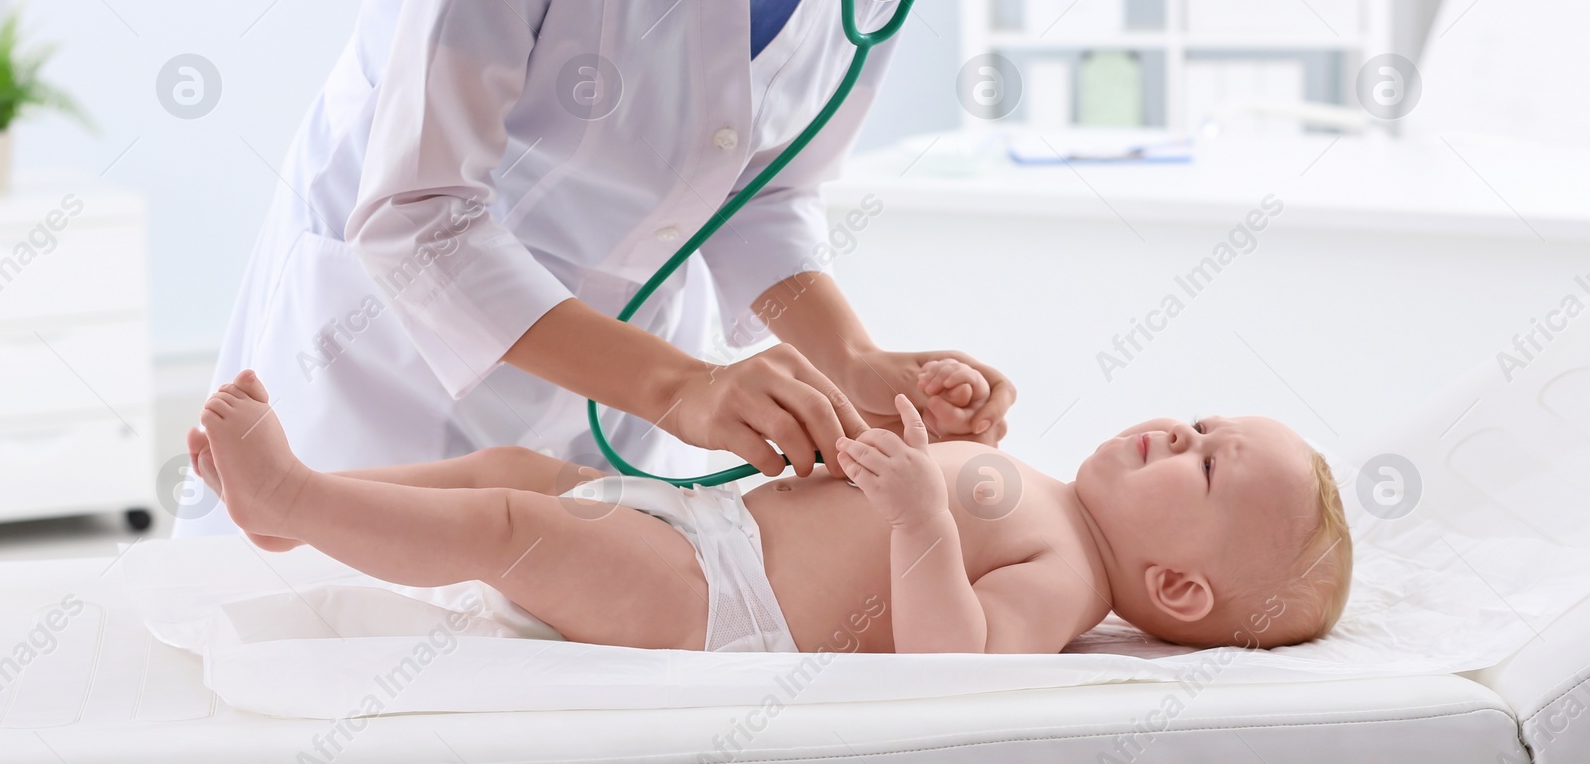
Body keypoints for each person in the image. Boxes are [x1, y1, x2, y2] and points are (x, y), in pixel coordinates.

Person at [174, 0, 1088, 538]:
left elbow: (759, 189)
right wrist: (681, 387)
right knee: (333, 664)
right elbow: (419, 214)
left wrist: (852, 363)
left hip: (617, 372)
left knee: (548, 668)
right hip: (392, 359)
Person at [188, 365, 1353, 653]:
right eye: (1199, 424)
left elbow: (955, 659)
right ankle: (304, 514)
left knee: (508, 530)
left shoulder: (1067, 577)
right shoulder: (1041, 489)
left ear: (1178, 590)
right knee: (520, 468)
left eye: (1203, 469)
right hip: (703, 530)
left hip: (715, 602)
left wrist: (921, 519)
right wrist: (915, 421)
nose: (1176, 435)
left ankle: (288, 489)